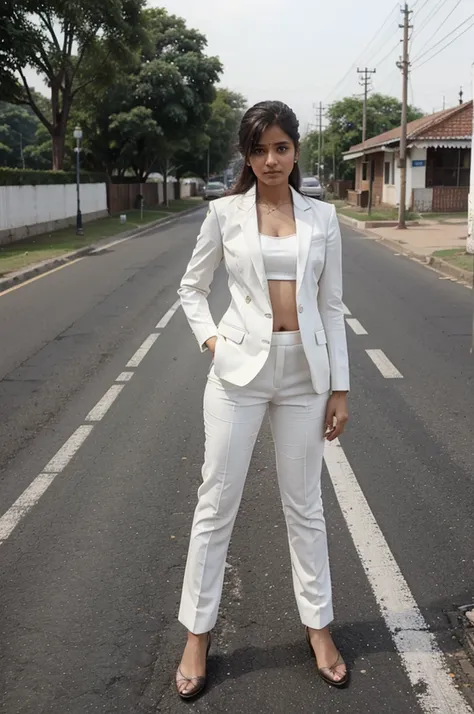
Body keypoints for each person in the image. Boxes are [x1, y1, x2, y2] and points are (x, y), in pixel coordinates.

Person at [175, 100, 350, 699]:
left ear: (295, 149)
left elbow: (331, 307)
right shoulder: (223, 214)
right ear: (246, 155)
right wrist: (211, 340)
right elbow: (192, 289)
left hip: (305, 374)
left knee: (306, 507)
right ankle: (197, 635)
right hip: (237, 374)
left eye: (280, 147)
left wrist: (341, 388)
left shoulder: (323, 218)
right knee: (215, 503)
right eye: (259, 149)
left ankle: (319, 626)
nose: (271, 159)